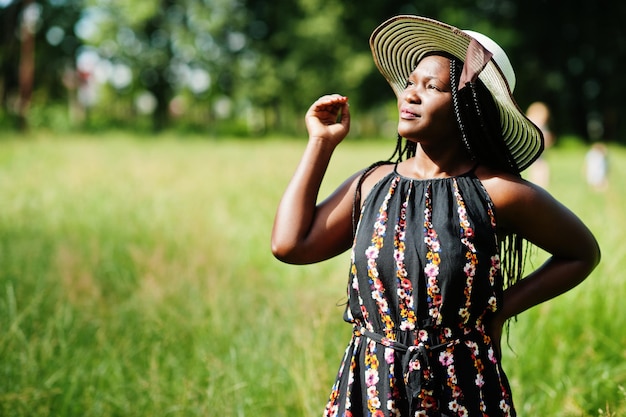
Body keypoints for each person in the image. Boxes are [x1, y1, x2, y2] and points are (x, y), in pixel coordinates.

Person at [271, 15, 600, 417]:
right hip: (372, 386)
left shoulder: (498, 191)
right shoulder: (374, 183)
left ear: (469, 107)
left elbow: (582, 253)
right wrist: (320, 144)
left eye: (432, 87)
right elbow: (290, 245)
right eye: (411, 82)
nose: (411, 94)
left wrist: (499, 312)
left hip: (461, 387)